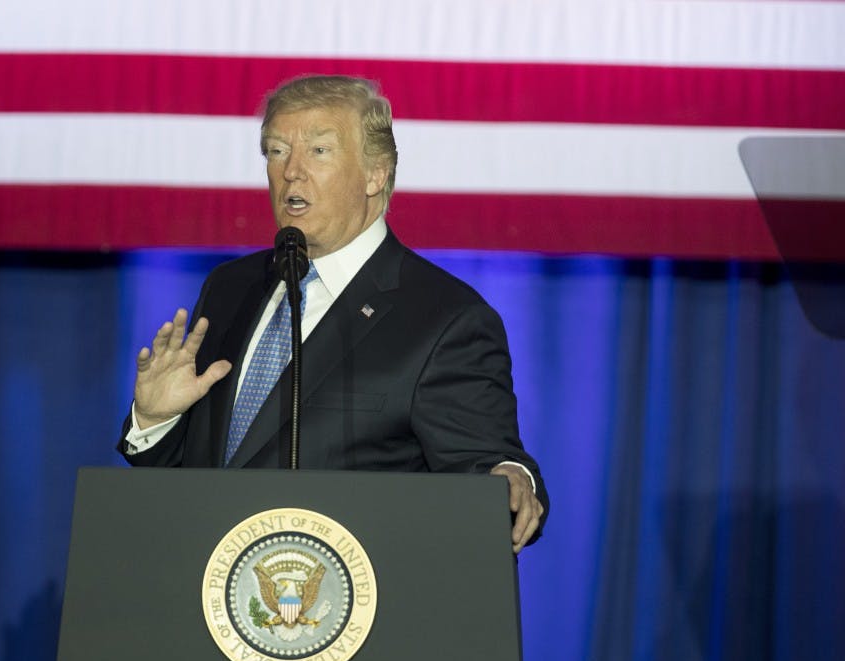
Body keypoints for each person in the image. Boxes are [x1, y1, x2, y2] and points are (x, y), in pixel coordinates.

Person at [117, 75, 548, 551]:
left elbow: (485, 463)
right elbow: (206, 472)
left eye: (319, 151)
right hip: (212, 594)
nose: (292, 172)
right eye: (277, 151)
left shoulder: (446, 318)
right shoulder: (230, 288)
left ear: (375, 174)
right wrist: (157, 419)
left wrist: (509, 478)